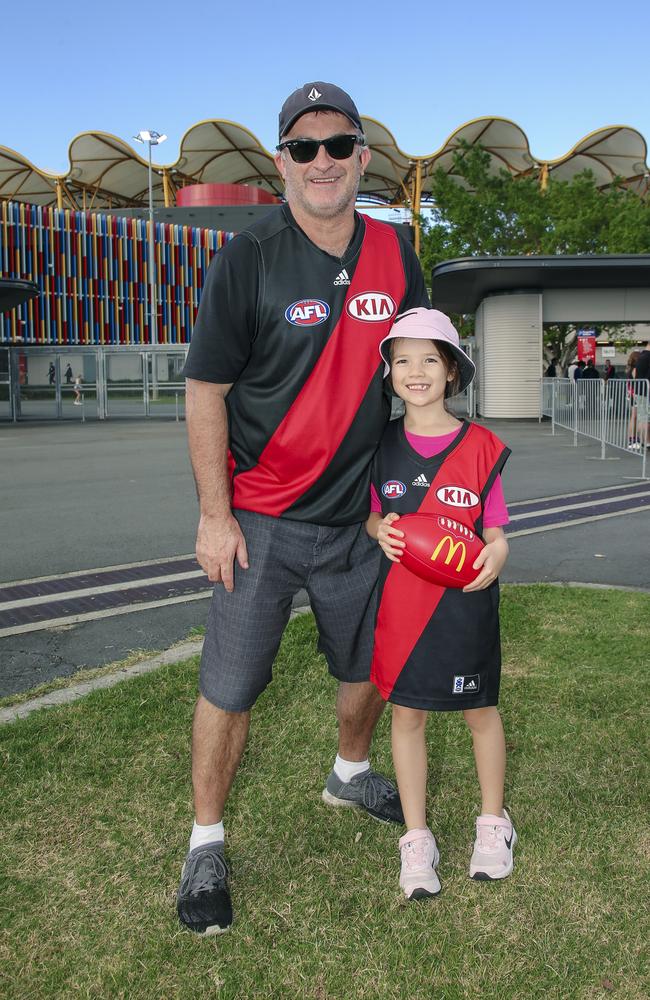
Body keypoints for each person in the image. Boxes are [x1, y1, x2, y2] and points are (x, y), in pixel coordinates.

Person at [177, 81, 430, 935]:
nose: (320, 162)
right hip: (259, 522)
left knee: (365, 672)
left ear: (364, 157)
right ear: (281, 163)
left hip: (359, 520)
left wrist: (430, 479)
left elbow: (419, 373)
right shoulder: (248, 255)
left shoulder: (399, 254)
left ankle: (349, 773)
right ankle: (205, 840)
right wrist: (216, 515)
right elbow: (205, 390)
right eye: (302, 148)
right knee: (231, 685)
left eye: (337, 145)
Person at [366, 308, 515, 900]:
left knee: (480, 711)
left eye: (430, 358)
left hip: (465, 608)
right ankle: (416, 835)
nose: (416, 371)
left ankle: (493, 822)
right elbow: (374, 512)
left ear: (452, 371)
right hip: (404, 611)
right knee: (407, 716)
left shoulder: (480, 448)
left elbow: (497, 529)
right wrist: (379, 528)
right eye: (402, 360)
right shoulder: (380, 446)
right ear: (390, 374)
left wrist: (497, 555)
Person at [632, 339, 650, 447]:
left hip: (639, 391)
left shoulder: (641, 357)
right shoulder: (648, 358)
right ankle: (647, 442)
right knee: (646, 418)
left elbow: (635, 373)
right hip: (646, 392)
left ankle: (644, 441)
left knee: (642, 417)